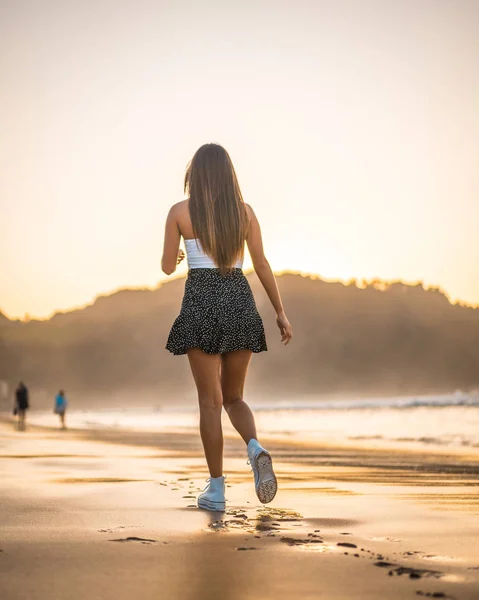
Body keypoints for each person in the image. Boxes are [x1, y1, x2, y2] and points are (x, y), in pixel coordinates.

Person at [162, 143, 293, 511]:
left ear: (196, 174)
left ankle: (216, 490)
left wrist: (178, 253)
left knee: (210, 403)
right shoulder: (245, 213)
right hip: (239, 298)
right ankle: (255, 447)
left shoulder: (179, 212)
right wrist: (280, 312)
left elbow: (167, 267)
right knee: (234, 397)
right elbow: (262, 264)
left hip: (201, 301)